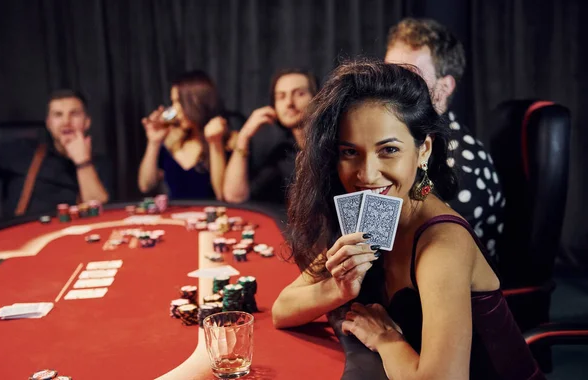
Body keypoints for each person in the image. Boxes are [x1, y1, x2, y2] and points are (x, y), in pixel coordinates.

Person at [271, 61, 543, 379]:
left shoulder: (443, 242)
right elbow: (282, 309)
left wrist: (386, 340)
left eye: (388, 149)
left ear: (423, 149)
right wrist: (341, 289)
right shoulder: (375, 210)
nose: (367, 175)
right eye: (350, 152)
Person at [385, 18, 504, 258]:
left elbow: (434, 251)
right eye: (389, 73)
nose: (390, 86)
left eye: (409, 75)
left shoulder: (461, 166)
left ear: (445, 87)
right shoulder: (404, 139)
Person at [0, 89, 112, 219]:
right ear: (48, 123)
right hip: (21, 235)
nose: (66, 122)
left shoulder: (100, 163)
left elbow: (100, 213)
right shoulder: (21, 150)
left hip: (73, 234)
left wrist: (82, 162)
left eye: (74, 114)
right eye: (58, 115)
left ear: (87, 122)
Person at [223, 69, 317, 205]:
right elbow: (235, 196)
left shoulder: (336, 143)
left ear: (317, 97)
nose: (289, 103)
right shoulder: (283, 152)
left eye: (299, 94)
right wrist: (244, 136)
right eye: (281, 97)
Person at [138, 70, 233, 200]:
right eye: (173, 103)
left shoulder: (228, 141)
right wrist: (153, 142)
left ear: (197, 102)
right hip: (176, 217)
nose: (174, 110)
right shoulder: (172, 140)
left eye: (179, 102)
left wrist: (214, 142)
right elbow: (145, 186)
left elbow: (222, 197)